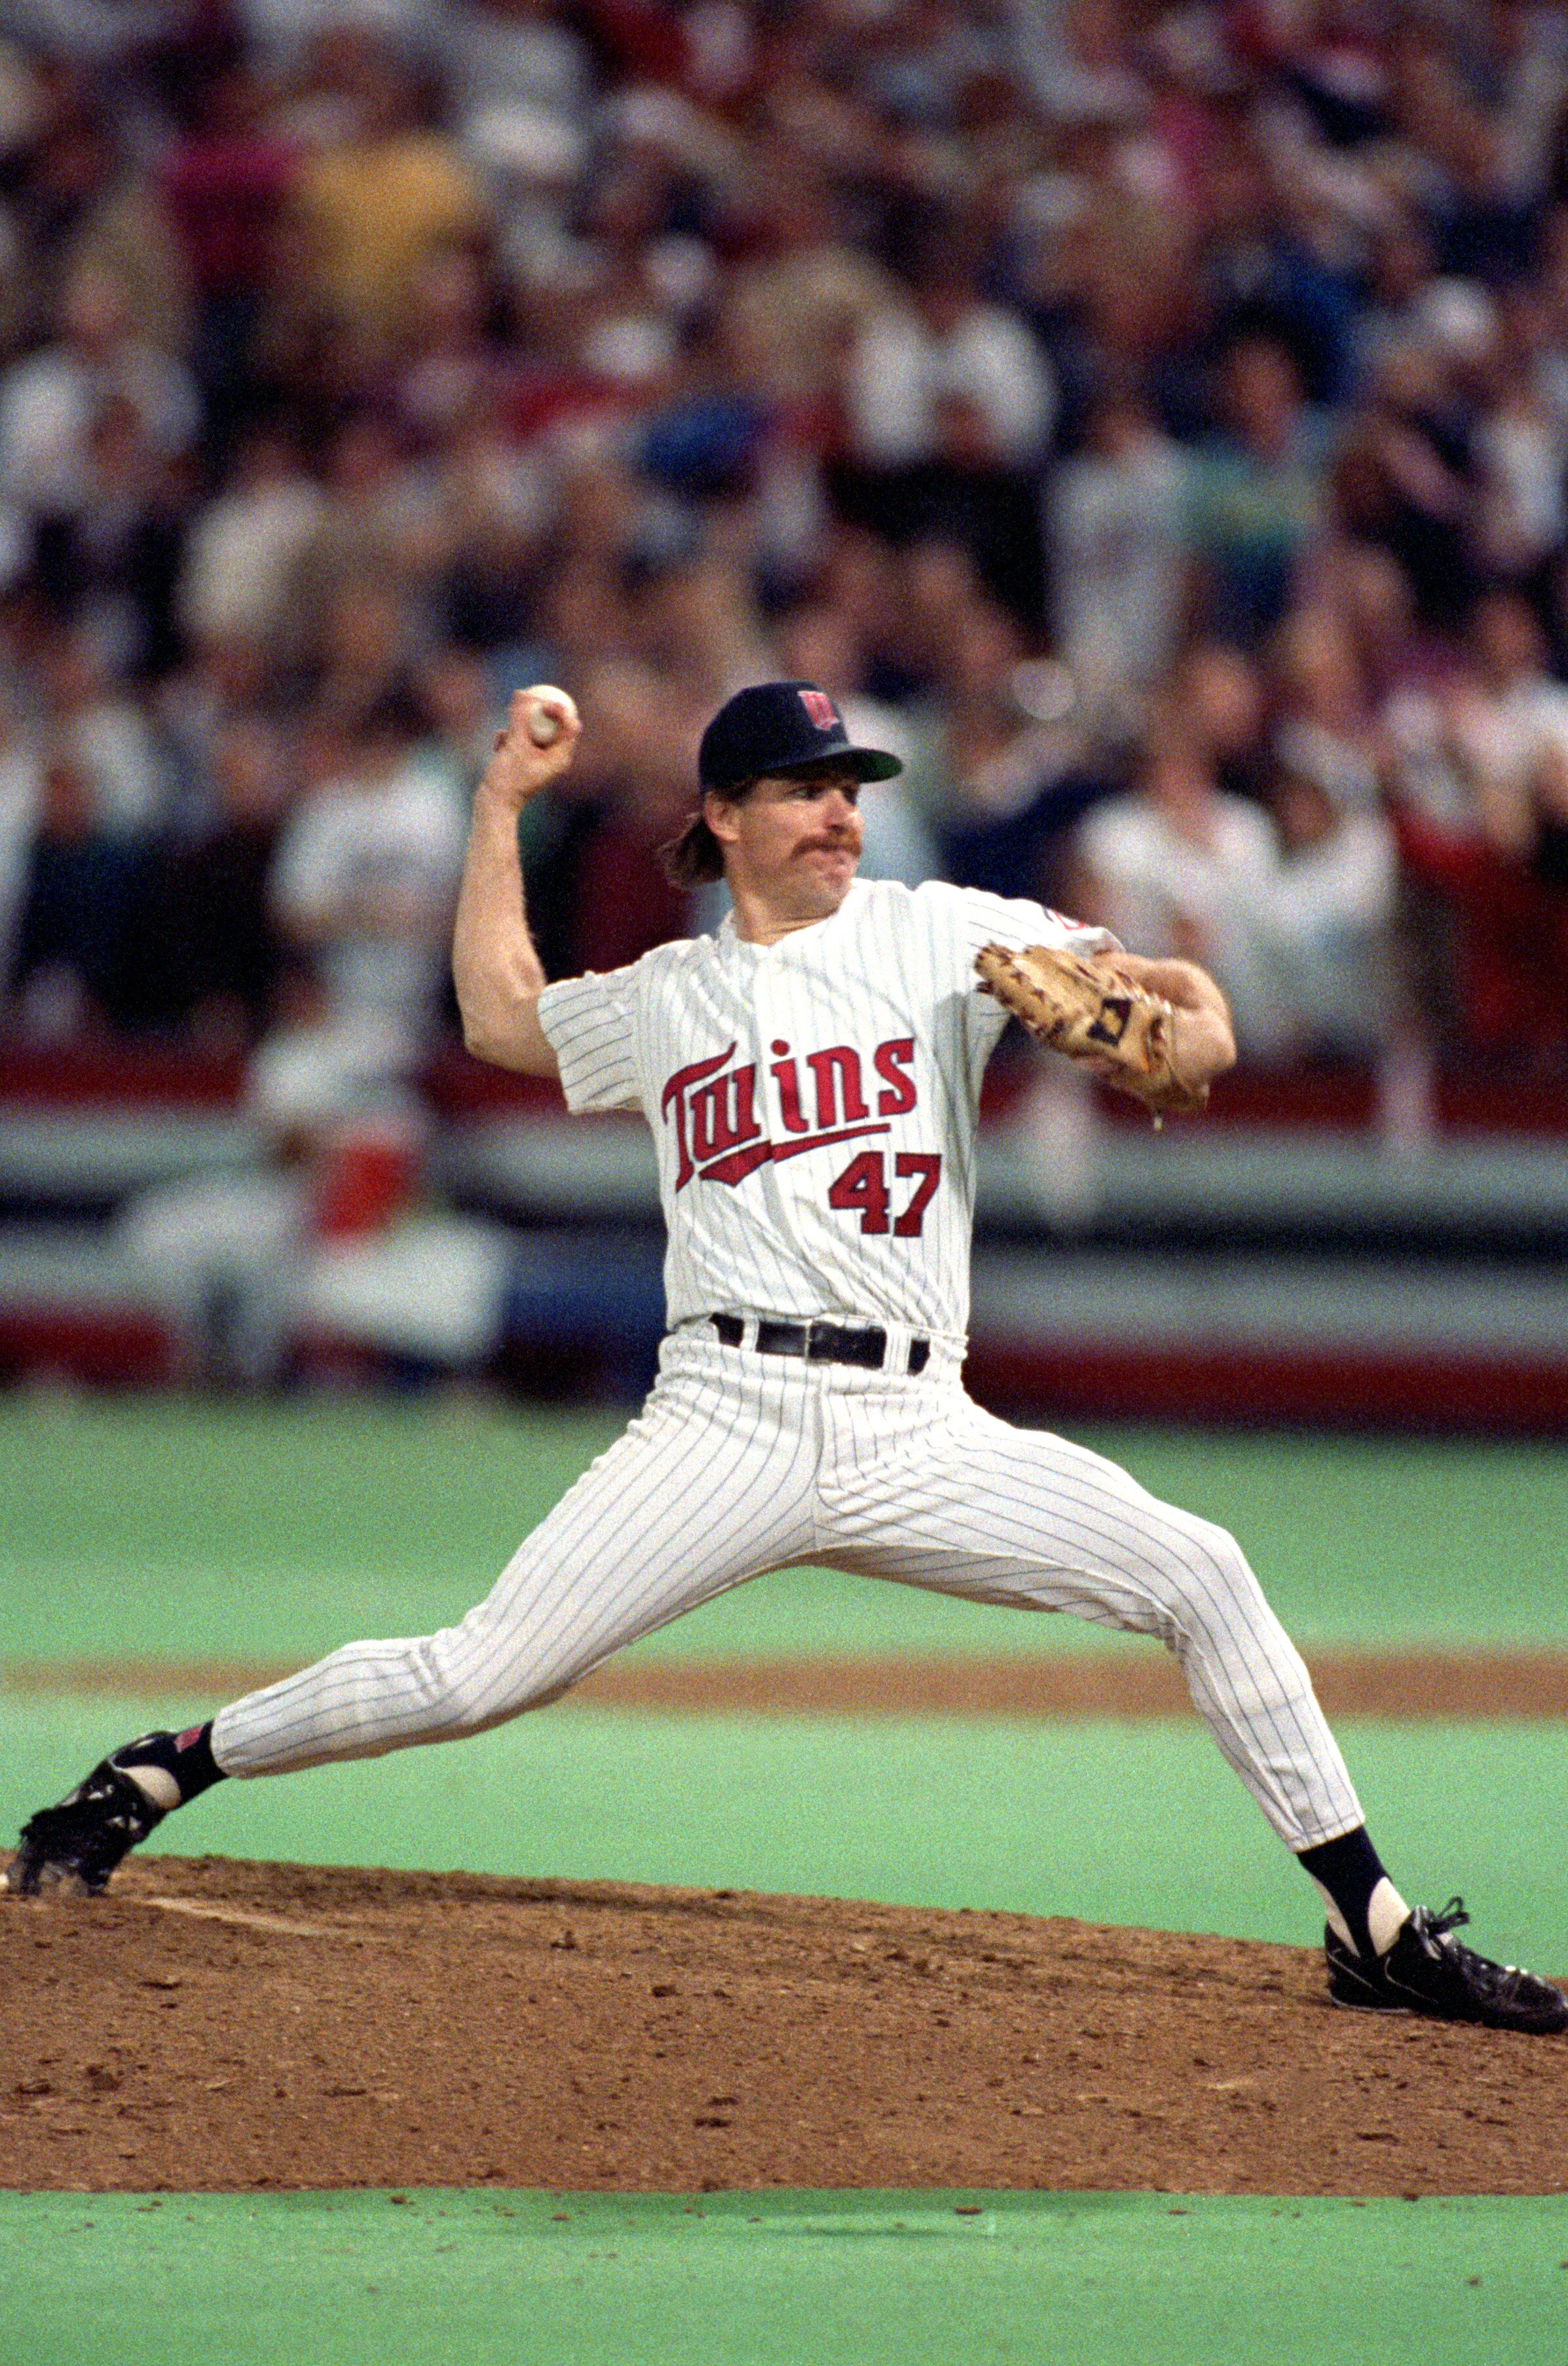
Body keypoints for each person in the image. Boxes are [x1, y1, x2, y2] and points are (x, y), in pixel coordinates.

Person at [5, 680, 1563, 2038]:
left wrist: (1179, 1039)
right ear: (726, 819)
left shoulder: (946, 932)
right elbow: (496, 1019)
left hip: (916, 1424)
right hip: (724, 1418)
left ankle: (1373, 1929)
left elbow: (1194, 1011)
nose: (838, 814)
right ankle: (167, 1766)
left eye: (849, 788)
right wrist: (497, 808)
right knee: (479, 1673)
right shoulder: (677, 996)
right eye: (805, 790)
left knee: (1203, 1569)